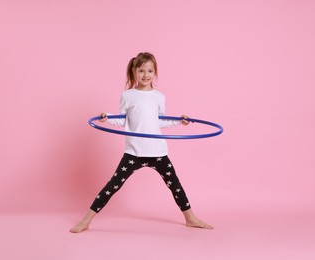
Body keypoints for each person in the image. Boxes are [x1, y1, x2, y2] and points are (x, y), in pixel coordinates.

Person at [70, 52, 213, 233]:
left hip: (157, 151)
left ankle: (190, 218)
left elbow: (159, 121)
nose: (146, 75)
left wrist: (179, 121)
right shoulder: (127, 96)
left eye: (150, 71)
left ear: (155, 73)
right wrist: (107, 119)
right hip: (134, 152)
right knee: (112, 185)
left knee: (175, 184)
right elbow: (123, 120)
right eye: (142, 71)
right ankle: (86, 221)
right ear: (134, 71)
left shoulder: (159, 97)